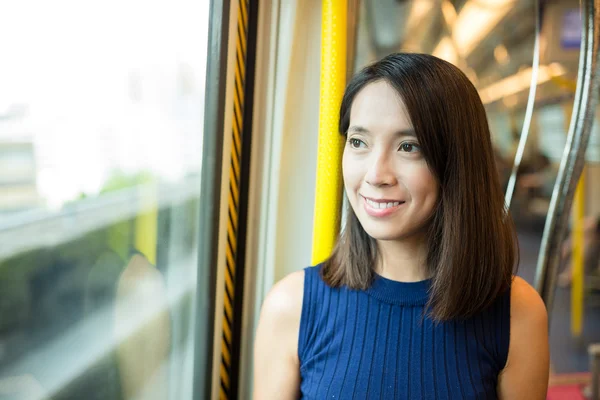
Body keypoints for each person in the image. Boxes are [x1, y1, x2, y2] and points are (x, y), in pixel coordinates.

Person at [253, 53, 549, 399]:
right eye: (358, 142)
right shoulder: (292, 306)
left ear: (457, 164)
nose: (376, 175)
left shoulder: (517, 313)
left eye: (409, 147)